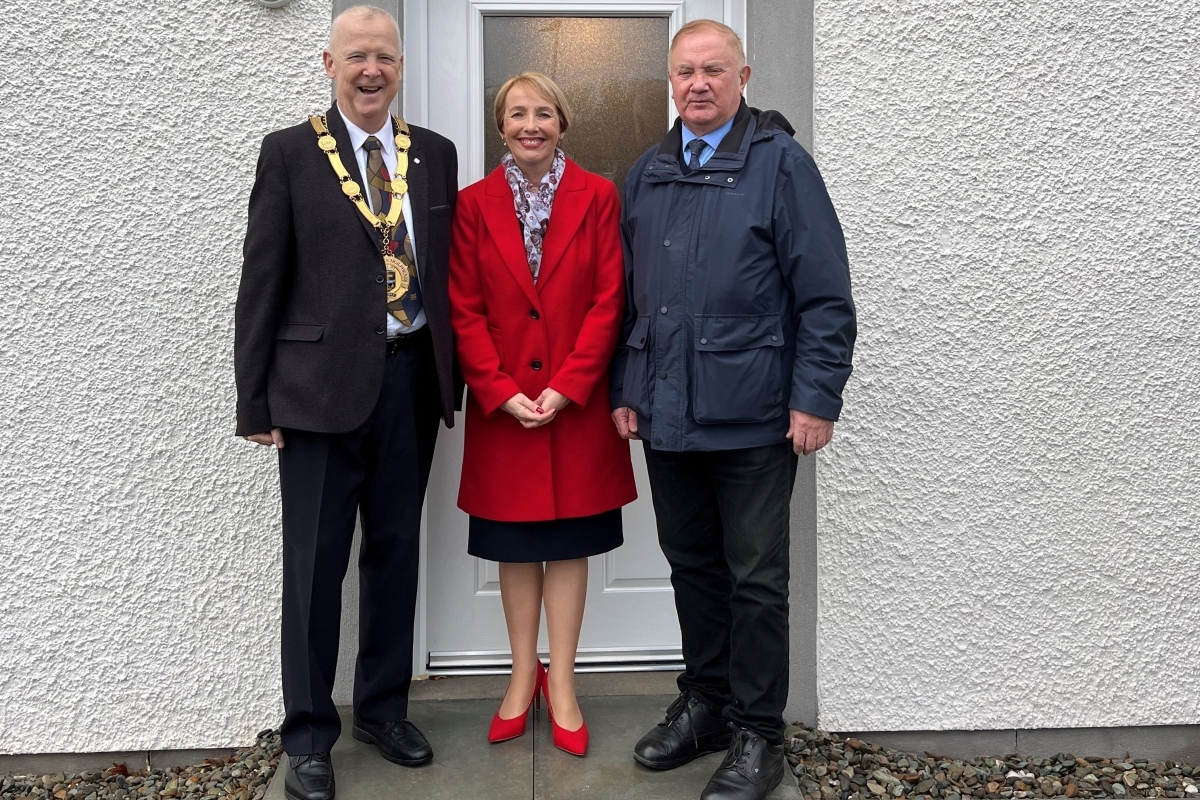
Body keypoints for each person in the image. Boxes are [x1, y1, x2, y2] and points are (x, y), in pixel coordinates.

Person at [612, 19, 856, 800]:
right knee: (694, 569)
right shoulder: (647, 171)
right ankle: (706, 705)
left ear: (743, 76)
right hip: (667, 414)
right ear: (671, 80)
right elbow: (626, 299)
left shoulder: (781, 167)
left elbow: (824, 296)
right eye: (685, 72)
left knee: (755, 580)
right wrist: (628, 388)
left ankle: (758, 733)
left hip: (754, 416)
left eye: (714, 70)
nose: (698, 84)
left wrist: (814, 398)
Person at [234, 6, 460, 800]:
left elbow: (447, 272)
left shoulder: (433, 155)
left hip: (411, 382)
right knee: (316, 568)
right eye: (358, 56)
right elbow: (261, 280)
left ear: (401, 67)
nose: (373, 71)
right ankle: (308, 736)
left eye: (386, 58)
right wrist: (253, 398)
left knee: (397, 554)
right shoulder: (290, 153)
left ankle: (382, 710)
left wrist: (455, 377)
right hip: (315, 395)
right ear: (328, 62)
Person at [449, 71, 637, 758]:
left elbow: (609, 299)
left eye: (544, 113)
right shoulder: (472, 205)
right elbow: (463, 308)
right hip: (504, 411)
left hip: (574, 408)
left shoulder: (599, 197)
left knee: (570, 545)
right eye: (517, 114)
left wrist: (567, 386)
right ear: (501, 127)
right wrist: (498, 390)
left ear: (562, 123)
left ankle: (563, 684)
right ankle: (521, 675)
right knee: (516, 548)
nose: (531, 124)